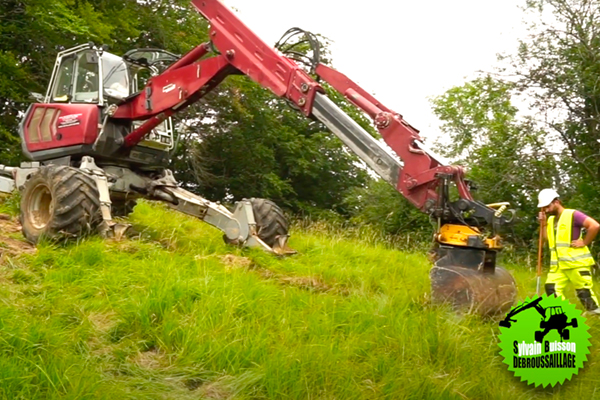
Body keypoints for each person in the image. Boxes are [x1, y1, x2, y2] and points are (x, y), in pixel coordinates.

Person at [538, 188, 600, 314]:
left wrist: (584, 242)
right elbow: (546, 239)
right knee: (551, 288)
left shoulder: (573, 214)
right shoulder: (550, 220)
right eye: (543, 207)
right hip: (559, 266)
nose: (545, 210)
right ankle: (562, 316)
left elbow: (594, 226)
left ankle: (594, 314)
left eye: (547, 206)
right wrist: (543, 223)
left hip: (576, 264)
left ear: (556, 202)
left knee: (584, 292)